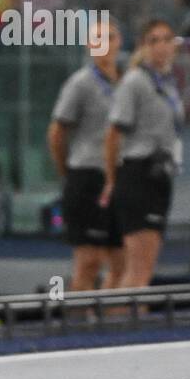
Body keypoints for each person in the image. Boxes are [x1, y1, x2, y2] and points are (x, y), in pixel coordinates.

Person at [100, 20, 182, 289]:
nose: (161, 47)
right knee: (138, 271)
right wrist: (113, 180)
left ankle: (122, 324)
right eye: (153, 40)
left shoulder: (169, 83)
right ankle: (125, 329)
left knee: (143, 269)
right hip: (138, 175)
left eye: (166, 39)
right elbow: (113, 135)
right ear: (143, 46)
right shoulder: (135, 81)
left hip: (161, 175)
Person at [47, 17, 125, 291]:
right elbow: (57, 132)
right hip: (88, 174)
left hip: (120, 176)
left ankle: (112, 323)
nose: (104, 44)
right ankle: (79, 325)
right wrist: (67, 171)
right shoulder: (80, 83)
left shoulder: (127, 83)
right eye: (98, 38)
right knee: (89, 260)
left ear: (120, 42)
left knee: (121, 260)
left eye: (111, 37)